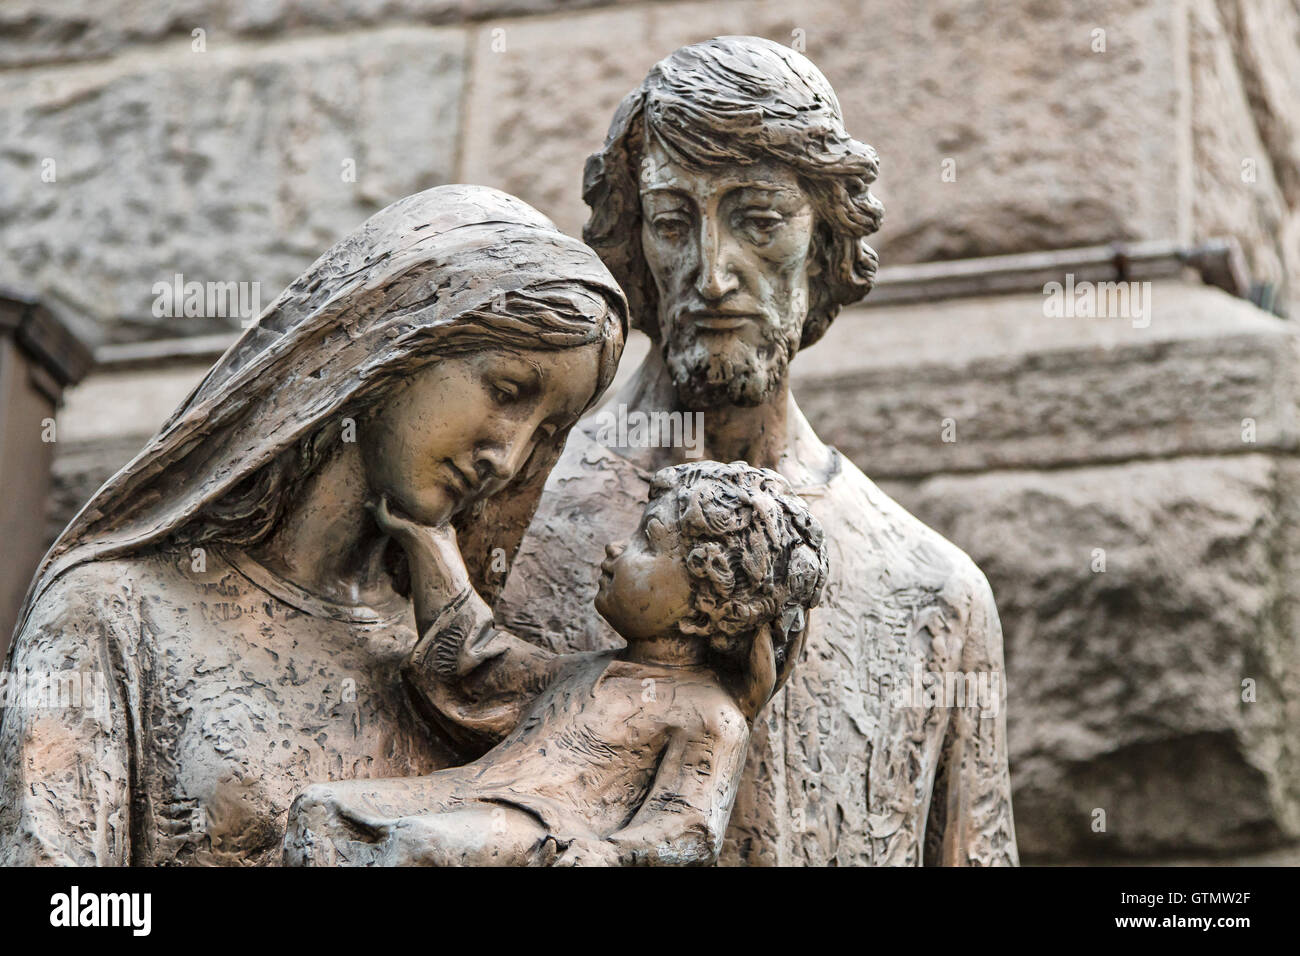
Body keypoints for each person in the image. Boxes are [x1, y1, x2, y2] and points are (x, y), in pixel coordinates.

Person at [494, 37, 1018, 865]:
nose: (711, 275)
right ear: (634, 242)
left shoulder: (936, 594)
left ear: (826, 241)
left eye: (758, 220)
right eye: (672, 223)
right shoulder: (511, 521)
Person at [0, 184, 627, 865]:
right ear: (393, 343)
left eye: (547, 433)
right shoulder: (113, 613)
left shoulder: (469, 672)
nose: (506, 458)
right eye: (506, 391)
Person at [283, 461, 828, 866]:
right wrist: (428, 539)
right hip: (467, 794)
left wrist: (609, 855)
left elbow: (687, 828)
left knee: (417, 846)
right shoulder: (585, 670)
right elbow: (481, 664)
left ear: (702, 608)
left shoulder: (712, 716)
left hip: (540, 833)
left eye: (647, 541)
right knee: (320, 810)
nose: (615, 548)